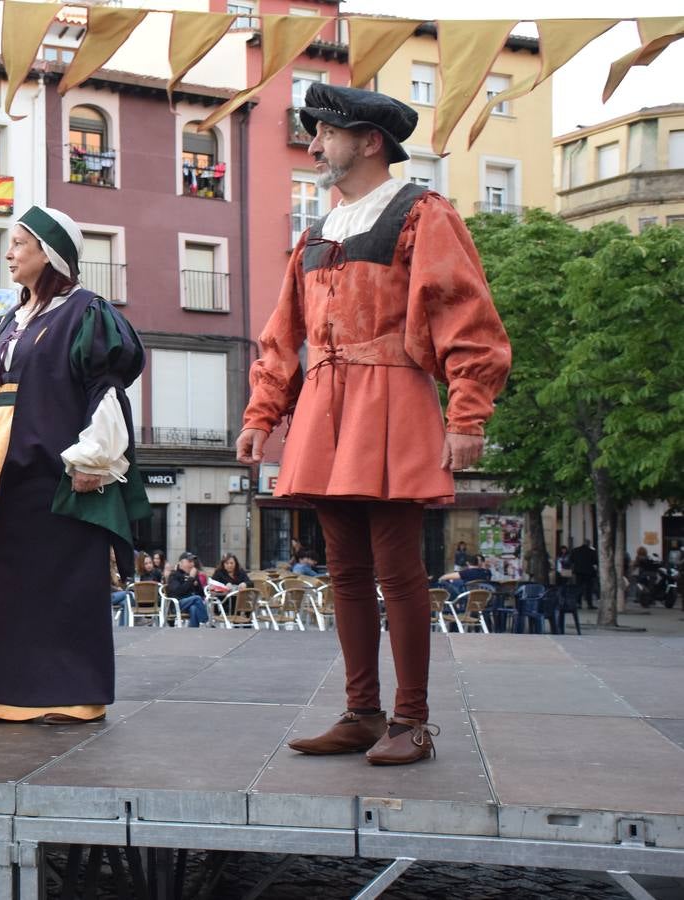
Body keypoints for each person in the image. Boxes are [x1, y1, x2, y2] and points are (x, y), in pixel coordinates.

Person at [236, 84, 510, 766]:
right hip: (328, 405)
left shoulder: (422, 212)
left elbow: (465, 316)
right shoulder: (315, 233)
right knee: (346, 569)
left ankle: (411, 721)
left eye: (324, 131)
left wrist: (467, 412)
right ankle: (362, 713)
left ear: (368, 140)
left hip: (392, 396)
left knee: (398, 567)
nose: (313, 144)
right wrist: (261, 413)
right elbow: (282, 336)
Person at [0, 205, 147, 724]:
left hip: (56, 466)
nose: (9, 253)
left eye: (19, 243)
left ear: (49, 253)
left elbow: (104, 389)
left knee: (60, 583)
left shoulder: (86, 312)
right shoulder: (7, 322)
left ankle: (68, 695)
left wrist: (94, 458)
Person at [165, 553, 210, 627]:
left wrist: (196, 584)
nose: (192, 564)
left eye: (192, 562)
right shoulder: (174, 575)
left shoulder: (192, 574)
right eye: (189, 561)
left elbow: (201, 594)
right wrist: (191, 579)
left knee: (194, 608)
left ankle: (191, 632)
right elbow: (178, 592)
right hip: (177, 604)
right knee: (196, 598)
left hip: (190, 604)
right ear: (180, 563)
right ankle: (207, 622)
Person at [569, 539, 598, 610]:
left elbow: (571, 560)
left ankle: (578, 603)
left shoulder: (575, 550)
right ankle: (589, 604)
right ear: (588, 544)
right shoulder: (592, 552)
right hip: (589, 573)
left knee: (578, 588)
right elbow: (595, 561)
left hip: (578, 572)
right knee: (589, 589)